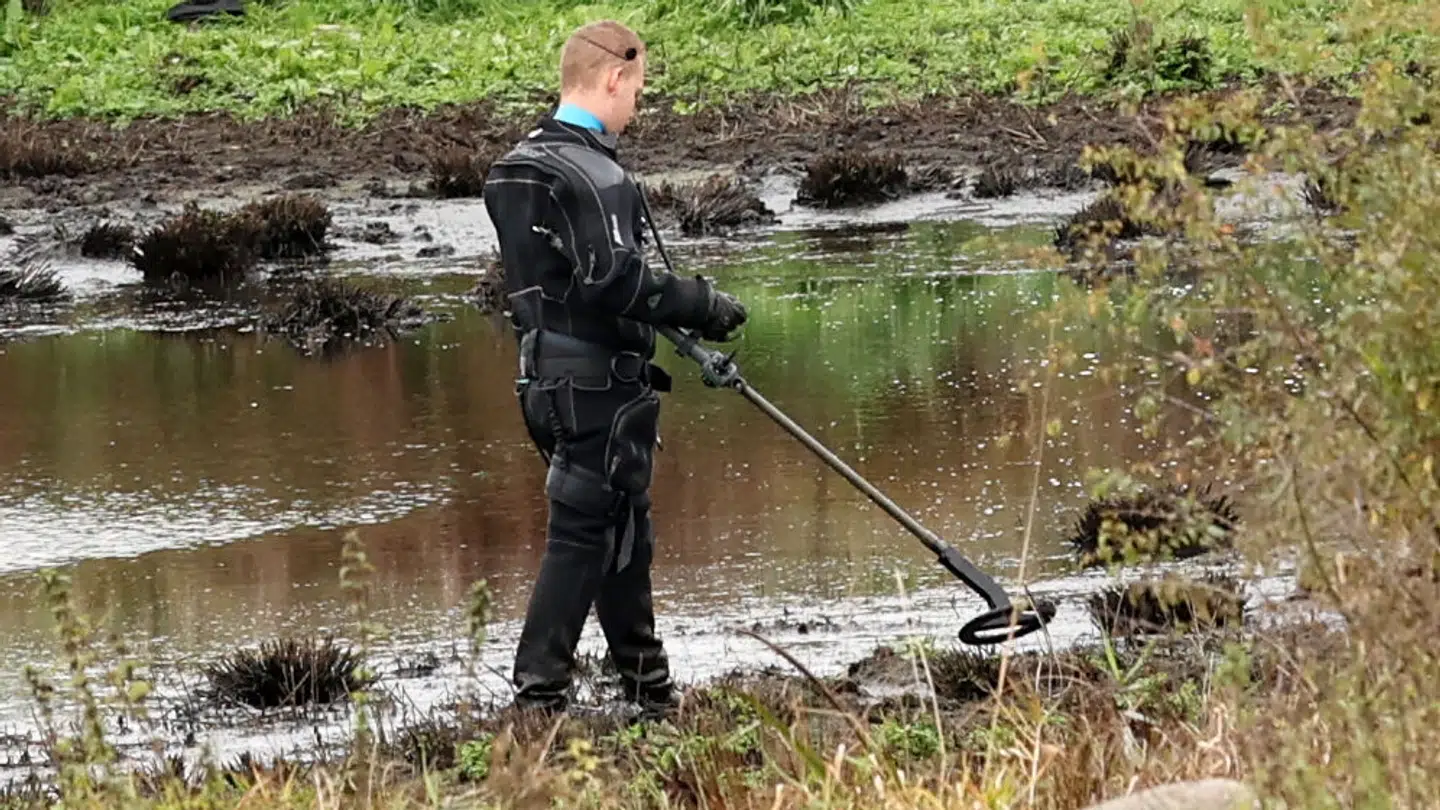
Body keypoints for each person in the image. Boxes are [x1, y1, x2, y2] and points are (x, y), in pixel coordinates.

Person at [481, 20, 748, 717]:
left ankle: (649, 691)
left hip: (543, 379)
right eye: (638, 91)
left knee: (622, 529)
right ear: (613, 78)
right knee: (580, 538)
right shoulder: (596, 174)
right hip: (595, 386)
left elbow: (564, 281)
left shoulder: (513, 167)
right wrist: (701, 302)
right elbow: (613, 282)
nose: (638, 106)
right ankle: (537, 702)